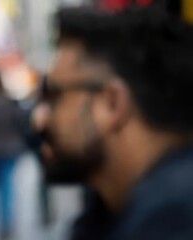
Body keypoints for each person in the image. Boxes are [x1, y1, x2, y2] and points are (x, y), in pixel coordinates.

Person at [34, 2, 193, 240]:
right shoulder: (115, 214)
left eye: (54, 95)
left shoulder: (172, 221)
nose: (39, 120)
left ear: (112, 103)